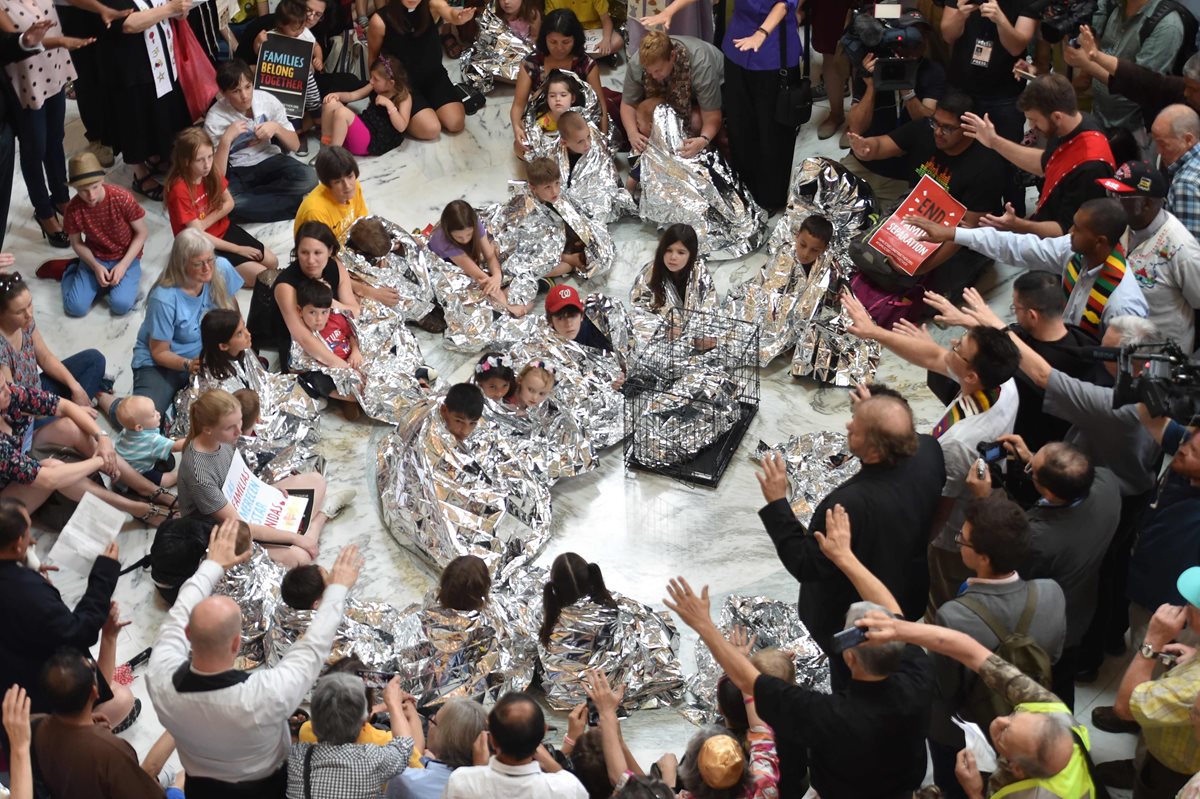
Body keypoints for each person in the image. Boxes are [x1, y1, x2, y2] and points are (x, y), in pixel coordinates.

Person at [944, 294, 1162, 688]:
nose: (1099, 357)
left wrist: (985, 497)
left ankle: (1087, 658)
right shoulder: (1107, 484)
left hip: (1058, 627)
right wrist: (1033, 460)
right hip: (1127, 498)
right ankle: (1105, 644)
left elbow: (1044, 376)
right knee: (1108, 573)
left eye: (1107, 352)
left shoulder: (1116, 407)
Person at [665, 506, 934, 799]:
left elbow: (749, 681)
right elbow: (894, 615)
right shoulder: (918, 674)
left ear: (850, 656)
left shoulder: (828, 717)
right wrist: (846, 559)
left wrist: (705, 625)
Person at [147, 521, 363, 799]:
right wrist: (337, 588)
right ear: (237, 644)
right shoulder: (265, 694)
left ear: (187, 634)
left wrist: (213, 565)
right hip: (264, 788)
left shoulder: (159, 677)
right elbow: (314, 646)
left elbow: (179, 611)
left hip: (203, 786)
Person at [841, 296, 1022, 611]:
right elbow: (934, 357)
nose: (950, 344)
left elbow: (941, 505)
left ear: (971, 377)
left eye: (958, 347)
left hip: (952, 537)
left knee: (943, 596)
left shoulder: (958, 442)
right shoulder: (1004, 387)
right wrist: (874, 332)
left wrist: (917, 546)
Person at [755, 390, 945, 685]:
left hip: (854, 616)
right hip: (906, 590)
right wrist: (875, 411)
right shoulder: (931, 452)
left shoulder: (847, 506)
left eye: (857, 424)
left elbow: (806, 563)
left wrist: (778, 503)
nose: (848, 425)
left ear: (874, 451)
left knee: (854, 678)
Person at [855, 611, 1097, 798]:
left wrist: (974, 792)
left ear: (1017, 769)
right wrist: (899, 629)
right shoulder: (1050, 707)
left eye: (1004, 735)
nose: (999, 720)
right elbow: (970, 651)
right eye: (1013, 716)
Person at [927, 492, 1066, 799]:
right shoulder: (1051, 593)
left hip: (965, 732)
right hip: (1029, 722)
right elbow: (1053, 655)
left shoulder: (953, 617)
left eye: (962, 540)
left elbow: (945, 688)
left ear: (983, 557)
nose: (959, 542)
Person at [907, 197, 1148, 339]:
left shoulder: (1123, 303)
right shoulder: (1073, 250)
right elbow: (1014, 246)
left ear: (1100, 241)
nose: (1070, 232)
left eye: (1077, 229)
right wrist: (952, 233)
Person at [847, 89, 1006, 301]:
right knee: (866, 254)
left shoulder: (987, 167)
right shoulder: (924, 130)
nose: (938, 132)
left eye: (948, 128)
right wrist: (867, 148)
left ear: (968, 129)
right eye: (935, 123)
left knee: (926, 292)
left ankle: (976, 268)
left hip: (960, 234)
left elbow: (966, 230)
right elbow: (882, 145)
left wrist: (918, 267)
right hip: (918, 210)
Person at [925, 271, 1100, 454]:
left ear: (1032, 315)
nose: (1013, 313)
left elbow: (1010, 346)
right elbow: (1011, 337)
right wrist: (965, 320)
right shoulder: (1082, 340)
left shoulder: (1031, 373)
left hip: (1031, 442)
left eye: (1015, 308)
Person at [177, 389, 352, 567]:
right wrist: (296, 539)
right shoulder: (199, 472)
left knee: (317, 480)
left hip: (247, 507)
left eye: (240, 422)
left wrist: (267, 490)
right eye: (230, 427)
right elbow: (240, 525)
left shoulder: (222, 439)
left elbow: (241, 476)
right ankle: (319, 520)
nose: (239, 432)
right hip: (225, 529)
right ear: (207, 429)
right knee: (302, 557)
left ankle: (304, 532)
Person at [0, 498, 136, 723]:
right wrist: (104, 574)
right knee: (122, 700)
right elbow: (77, 633)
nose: (33, 539)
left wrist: (23, 566)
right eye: (27, 534)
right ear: (16, 544)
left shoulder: (20, 583)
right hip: (30, 699)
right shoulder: (26, 593)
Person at [1007, 440, 1120, 704]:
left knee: (1048, 691)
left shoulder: (1039, 539)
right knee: (1065, 678)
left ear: (1047, 491)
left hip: (1050, 628)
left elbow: (1014, 576)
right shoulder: (1108, 484)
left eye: (1032, 471)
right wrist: (1032, 460)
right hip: (1083, 606)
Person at [0, 364, 172, 520]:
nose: (9, 389)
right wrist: (99, 461)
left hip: (20, 458)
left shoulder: (10, 394)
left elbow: (64, 406)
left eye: (5, 384)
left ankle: (149, 489)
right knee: (54, 468)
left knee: (70, 426)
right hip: (5, 505)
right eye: (1, 390)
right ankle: (137, 508)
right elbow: (49, 479)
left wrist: (102, 437)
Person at [960, 74, 1114, 238]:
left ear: (1056, 117)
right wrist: (994, 142)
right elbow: (1047, 163)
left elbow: (1067, 230)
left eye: (1034, 120)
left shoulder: (1091, 168)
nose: (1032, 127)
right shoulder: (1075, 124)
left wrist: (1018, 225)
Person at [1099, 570, 1200, 797]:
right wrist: (1195, 657)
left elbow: (1124, 708)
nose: (1183, 607)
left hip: (1171, 773)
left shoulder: (1193, 688)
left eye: (1190, 604)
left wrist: (1153, 641)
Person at [32, 649, 183, 798]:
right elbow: (149, 772)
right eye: (92, 666)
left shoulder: (34, 726)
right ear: (95, 693)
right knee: (178, 776)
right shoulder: (110, 751)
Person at [127, 230, 243, 414]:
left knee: (236, 402)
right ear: (181, 264)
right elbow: (159, 351)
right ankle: (106, 398)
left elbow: (233, 313)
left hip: (203, 357)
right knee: (145, 417)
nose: (207, 268)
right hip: (162, 364)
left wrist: (240, 338)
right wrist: (188, 365)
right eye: (198, 264)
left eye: (210, 260)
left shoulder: (221, 269)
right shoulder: (164, 298)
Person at [940, 0, 1036, 217]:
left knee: (1009, 160)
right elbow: (947, 34)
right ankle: (972, 215)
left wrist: (1000, 19)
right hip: (962, 90)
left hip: (1004, 95)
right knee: (964, 156)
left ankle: (1013, 219)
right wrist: (960, 16)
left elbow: (1016, 46)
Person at [842, 16, 946, 210]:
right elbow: (856, 127)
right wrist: (871, 86)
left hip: (901, 177)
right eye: (911, 35)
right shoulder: (871, 66)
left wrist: (907, 90)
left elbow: (927, 126)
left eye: (922, 35)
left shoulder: (933, 71)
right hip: (863, 164)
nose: (917, 42)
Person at [1095, 160, 1200, 351]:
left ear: (1146, 203)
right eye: (1111, 193)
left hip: (1162, 360)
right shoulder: (1120, 225)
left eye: (1120, 196)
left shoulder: (1182, 250)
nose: (1112, 201)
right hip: (1120, 350)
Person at [99, 0, 193, 203]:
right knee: (136, 118)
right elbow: (127, 24)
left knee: (163, 111)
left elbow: (172, 9)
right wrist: (170, 9)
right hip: (130, 65)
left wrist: (180, 9)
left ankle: (156, 156)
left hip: (161, 59)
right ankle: (140, 175)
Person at [205, 59, 318, 224]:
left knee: (310, 178)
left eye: (248, 87)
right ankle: (295, 205)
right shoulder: (215, 118)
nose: (244, 96)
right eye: (236, 91)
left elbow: (294, 145)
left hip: (269, 158)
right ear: (223, 93)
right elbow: (217, 175)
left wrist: (277, 128)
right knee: (228, 201)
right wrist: (226, 140)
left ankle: (253, 201)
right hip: (238, 169)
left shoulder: (267, 101)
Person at [1, 0, 74, 248]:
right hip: (25, 80)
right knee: (35, 148)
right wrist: (63, 40)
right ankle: (44, 212)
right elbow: (16, 41)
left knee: (56, 139)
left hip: (53, 69)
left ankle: (61, 198)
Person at [165, 127, 276, 288]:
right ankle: (212, 279)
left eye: (210, 156)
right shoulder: (179, 189)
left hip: (224, 229)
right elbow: (198, 236)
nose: (207, 164)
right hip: (199, 245)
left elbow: (229, 202)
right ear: (186, 161)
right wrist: (238, 249)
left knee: (272, 263)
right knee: (263, 279)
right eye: (200, 160)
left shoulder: (209, 172)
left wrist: (204, 223)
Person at [718, 0, 801, 211]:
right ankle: (744, 193)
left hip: (773, 53)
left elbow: (784, 4)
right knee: (740, 126)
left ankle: (771, 199)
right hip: (738, 47)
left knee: (774, 133)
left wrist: (762, 33)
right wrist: (672, 10)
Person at [287, 673, 415, 798]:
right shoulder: (372, 759)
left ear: (313, 722)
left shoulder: (296, 756)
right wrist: (393, 703)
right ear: (365, 723)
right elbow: (404, 745)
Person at [1061, 6, 1183, 137]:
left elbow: (1143, 86)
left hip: (1133, 130)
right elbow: (1103, 52)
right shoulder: (1116, 8)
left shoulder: (1167, 25)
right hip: (1100, 116)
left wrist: (1087, 64)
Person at [442, 692, 589, 798]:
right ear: (544, 731)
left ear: (492, 739)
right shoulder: (567, 789)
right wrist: (551, 762)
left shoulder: (461, 782)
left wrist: (480, 771)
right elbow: (565, 780)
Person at [249, 220, 358, 362]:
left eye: (318, 253)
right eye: (304, 253)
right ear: (297, 252)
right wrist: (344, 368)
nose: (311, 260)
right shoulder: (286, 286)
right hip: (300, 351)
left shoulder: (336, 267)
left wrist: (329, 301)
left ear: (330, 251)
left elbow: (354, 311)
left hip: (335, 333)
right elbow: (303, 338)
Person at [367, 0, 471, 139]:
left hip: (433, 77)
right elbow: (373, 56)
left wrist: (459, 16)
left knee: (455, 123)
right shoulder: (379, 21)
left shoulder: (432, 5)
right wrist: (378, 87)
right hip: (403, 86)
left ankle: (429, 106)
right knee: (431, 129)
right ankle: (417, 110)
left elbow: (450, 12)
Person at [61, 151, 148, 318]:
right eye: (83, 190)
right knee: (75, 308)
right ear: (74, 188)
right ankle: (71, 270)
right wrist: (95, 265)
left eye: (95, 187)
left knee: (120, 305)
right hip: (95, 257)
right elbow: (77, 242)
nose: (91, 195)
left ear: (103, 179)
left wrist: (123, 265)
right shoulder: (73, 209)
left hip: (126, 256)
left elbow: (142, 232)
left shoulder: (122, 198)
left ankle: (104, 283)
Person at [510, 9, 607, 155]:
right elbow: (518, 104)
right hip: (545, 124)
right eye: (553, 42)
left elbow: (600, 107)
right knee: (521, 150)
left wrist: (602, 139)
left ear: (575, 39)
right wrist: (517, 128)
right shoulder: (531, 64)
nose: (559, 48)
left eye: (566, 42)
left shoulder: (586, 65)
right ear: (544, 39)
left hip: (578, 128)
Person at [620, 31, 724, 159]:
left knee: (696, 122)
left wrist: (703, 140)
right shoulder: (637, 63)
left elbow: (712, 116)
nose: (654, 76)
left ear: (673, 56)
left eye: (658, 70)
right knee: (643, 119)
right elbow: (627, 104)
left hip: (713, 90)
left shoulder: (701, 64)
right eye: (649, 71)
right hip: (667, 94)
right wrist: (632, 134)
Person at [429, 199, 530, 317]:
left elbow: (490, 255)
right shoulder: (443, 242)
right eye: (459, 237)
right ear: (449, 233)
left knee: (504, 259)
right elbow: (479, 276)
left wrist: (497, 275)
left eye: (469, 235)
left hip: (469, 261)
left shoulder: (475, 223)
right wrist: (508, 307)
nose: (465, 240)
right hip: (444, 268)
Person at [387, 698, 488, 799]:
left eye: (433, 721)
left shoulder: (405, 781)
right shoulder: (488, 786)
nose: (429, 725)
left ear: (443, 737)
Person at [1079, 45, 1200, 128]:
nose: (1186, 93)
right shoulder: (1180, 88)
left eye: (1194, 89)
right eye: (1187, 87)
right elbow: (1145, 81)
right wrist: (1097, 56)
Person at [320, 54, 412, 152]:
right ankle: (325, 147)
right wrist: (337, 95)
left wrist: (389, 105)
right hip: (365, 126)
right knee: (330, 102)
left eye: (376, 79)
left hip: (374, 139)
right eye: (371, 77)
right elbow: (353, 95)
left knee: (342, 112)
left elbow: (401, 127)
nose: (371, 81)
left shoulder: (403, 96)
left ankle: (333, 156)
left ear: (390, 83)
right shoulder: (374, 86)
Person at [629, 223, 714, 314]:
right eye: (668, 250)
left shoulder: (699, 273)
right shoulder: (650, 271)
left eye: (681, 253)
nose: (673, 257)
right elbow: (638, 306)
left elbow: (710, 308)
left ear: (691, 255)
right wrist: (668, 322)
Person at [294, 146, 369, 240]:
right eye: (338, 182)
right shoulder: (315, 212)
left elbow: (362, 219)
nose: (348, 186)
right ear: (327, 184)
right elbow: (320, 250)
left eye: (350, 176)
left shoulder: (355, 186)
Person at [1152, 104, 1200, 243]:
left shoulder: (1185, 185)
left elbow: (1192, 249)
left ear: (1188, 140)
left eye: (1163, 144)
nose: (1158, 151)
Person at [115, 394, 184, 486]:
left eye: (155, 410)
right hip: (136, 476)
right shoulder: (152, 440)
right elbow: (175, 447)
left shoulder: (127, 430)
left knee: (169, 461)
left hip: (123, 466)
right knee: (164, 480)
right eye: (153, 415)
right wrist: (194, 440)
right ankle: (180, 474)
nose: (158, 413)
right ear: (139, 427)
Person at [546, 285, 614, 352]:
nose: (569, 324)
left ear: (581, 316)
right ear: (550, 321)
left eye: (573, 316)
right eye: (560, 318)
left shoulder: (597, 333)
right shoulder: (546, 344)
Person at [544, 0, 621, 57]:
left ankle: (576, 59)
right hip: (568, 33)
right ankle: (595, 58)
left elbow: (606, 20)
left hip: (594, 30)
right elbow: (551, 22)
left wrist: (606, 40)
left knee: (617, 41)